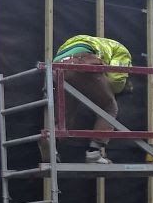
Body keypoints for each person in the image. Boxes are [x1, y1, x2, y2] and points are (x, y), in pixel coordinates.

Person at [52, 34, 132, 164]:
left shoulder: (86, 40)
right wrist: (116, 89)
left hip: (58, 67)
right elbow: (117, 77)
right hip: (83, 62)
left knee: (64, 115)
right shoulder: (122, 51)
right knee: (109, 106)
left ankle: (50, 145)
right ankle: (94, 153)